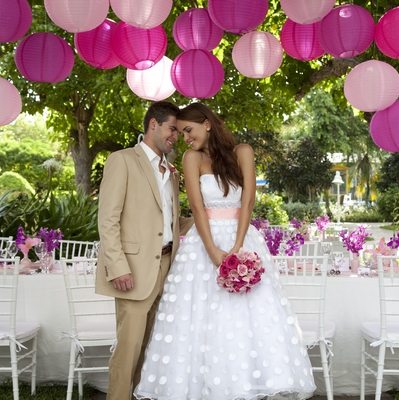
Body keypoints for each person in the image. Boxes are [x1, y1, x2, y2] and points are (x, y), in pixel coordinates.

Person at [134, 103, 316, 400]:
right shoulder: (191, 159)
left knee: (246, 317)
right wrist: (214, 252)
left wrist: (238, 246)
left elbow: (248, 202)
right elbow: (196, 208)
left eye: (188, 130)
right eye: (180, 133)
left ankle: (244, 384)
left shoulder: (243, 151)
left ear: (207, 123)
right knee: (200, 317)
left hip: (241, 238)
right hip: (203, 245)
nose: (185, 138)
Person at [95, 101, 181, 400]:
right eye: (172, 129)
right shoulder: (122, 160)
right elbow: (108, 219)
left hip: (168, 266)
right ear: (153, 124)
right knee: (129, 347)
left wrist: (216, 218)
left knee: (152, 346)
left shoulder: (171, 171)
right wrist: (117, 266)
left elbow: (170, 220)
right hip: (132, 269)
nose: (176, 136)